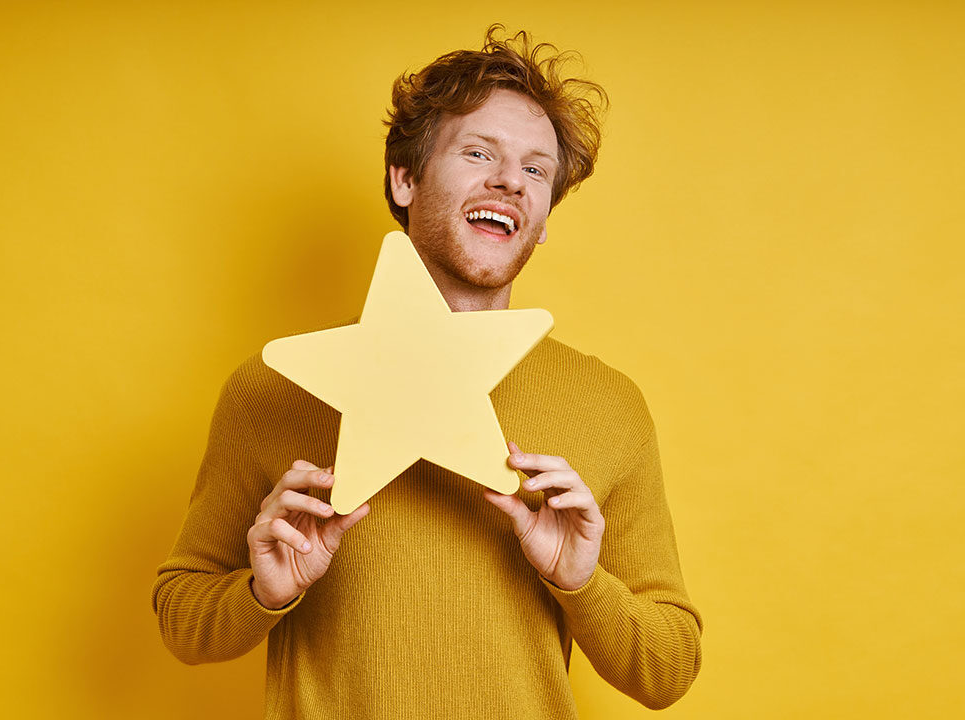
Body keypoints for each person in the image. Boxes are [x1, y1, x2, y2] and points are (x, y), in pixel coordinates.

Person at [152, 25, 702, 718]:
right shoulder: (271, 389)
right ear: (404, 178)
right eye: (478, 152)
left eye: (536, 170)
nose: (510, 180)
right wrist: (266, 592)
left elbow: (669, 668)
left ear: (543, 219)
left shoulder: (609, 403)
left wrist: (582, 581)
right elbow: (183, 616)